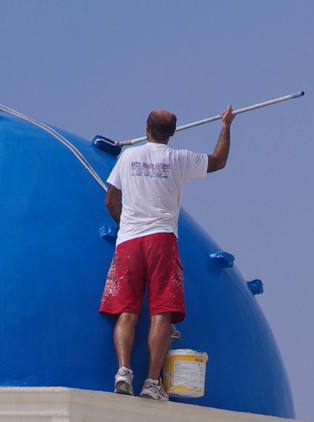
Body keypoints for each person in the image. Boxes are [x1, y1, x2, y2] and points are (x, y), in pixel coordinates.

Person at [100, 105, 235, 400]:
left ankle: (123, 371)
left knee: (127, 309)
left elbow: (111, 201)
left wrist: (130, 226)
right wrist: (225, 125)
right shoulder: (179, 159)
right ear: (172, 134)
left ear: (146, 128)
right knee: (161, 312)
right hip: (162, 240)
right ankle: (151, 383)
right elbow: (218, 161)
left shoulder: (128, 156)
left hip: (129, 242)